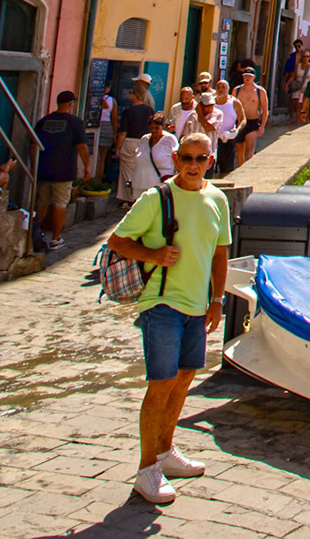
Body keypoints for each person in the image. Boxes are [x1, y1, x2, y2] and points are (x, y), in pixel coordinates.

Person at [106, 132, 230, 506]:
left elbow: (220, 253)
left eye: (200, 158)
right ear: (176, 159)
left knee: (184, 378)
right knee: (161, 384)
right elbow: (117, 241)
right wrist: (154, 256)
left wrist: (217, 300)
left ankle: (165, 451)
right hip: (161, 302)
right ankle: (147, 470)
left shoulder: (217, 199)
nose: (193, 165)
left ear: (210, 161)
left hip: (197, 305)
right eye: (186, 158)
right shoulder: (155, 198)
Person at [33, 91, 90, 250]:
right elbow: (82, 146)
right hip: (64, 170)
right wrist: (86, 166)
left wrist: (34, 165)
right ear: (71, 104)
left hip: (44, 168)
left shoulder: (44, 121)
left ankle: (36, 234)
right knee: (60, 203)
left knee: (42, 202)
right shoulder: (75, 122)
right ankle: (55, 238)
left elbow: (33, 142)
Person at [113, 75, 158, 204]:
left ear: (134, 96)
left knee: (127, 172)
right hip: (144, 142)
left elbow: (123, 133)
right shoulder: (150, 110)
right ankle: (138, 196)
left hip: (130, 142)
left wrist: (117, 148)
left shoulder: (129, 112)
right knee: (139, 169)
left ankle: (128, 197)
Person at [232, 68, 267, 167]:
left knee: (249, 151)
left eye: (249, 76)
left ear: (254, 77)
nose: (247, 78)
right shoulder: (237, 90)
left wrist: (262, 126)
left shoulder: (260, 91)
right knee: (239, 151)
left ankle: (247, 170)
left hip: (252, 122)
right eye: (245, 76)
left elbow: (265, 109)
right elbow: (231, 106)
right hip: (239, 122)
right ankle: (240, 170)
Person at [209, 80, 239, 176]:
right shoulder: (210, 102)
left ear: (228, 89)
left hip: (227, 140)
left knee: (226, 171)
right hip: (212, 140)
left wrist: (237, 130)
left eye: (223, 87)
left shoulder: (234, 102)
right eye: (218, 87)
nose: (221, 90)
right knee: (210, 169)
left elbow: (243, 119)